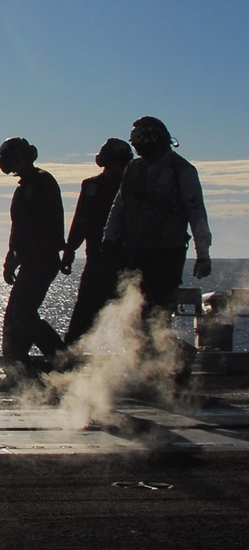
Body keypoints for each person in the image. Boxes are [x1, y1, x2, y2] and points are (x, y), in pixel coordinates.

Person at [102, 116, 212, 374]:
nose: (142, 154)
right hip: (134, 252)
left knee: (156, 316)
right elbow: (119, 205)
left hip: (167, 254)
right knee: (134, 316)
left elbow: (196, 213)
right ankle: (144, 370)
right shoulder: (134, 169)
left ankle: (173, 370)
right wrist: (109, 239)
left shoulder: (182, 171)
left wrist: (203, 254)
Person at [0, 137, 66, 378]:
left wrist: (26, 254)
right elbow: (18, 229)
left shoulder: (43, 182)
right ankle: (17, 366)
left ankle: (61, 360)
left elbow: (46, 226)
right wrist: (11, 259)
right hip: (29, 261)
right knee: (15, 314)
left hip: (42, 260)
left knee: (22, 313)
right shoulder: (24, 188)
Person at [60, 139, 132, 345]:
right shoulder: (92, 186)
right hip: (98, 262)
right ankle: (69, 363)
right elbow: (80, 221)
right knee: (83, 316)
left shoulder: (132, 188)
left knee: (131, 319)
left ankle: (140, 366)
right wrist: (70, 250)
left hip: (125, 263)